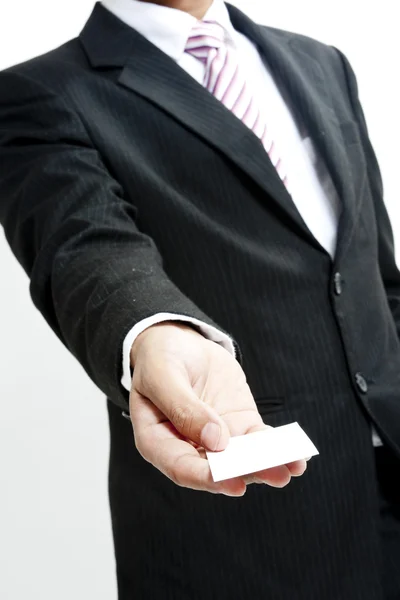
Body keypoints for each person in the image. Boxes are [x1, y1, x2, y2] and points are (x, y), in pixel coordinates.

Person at [0, 0, 399, 598]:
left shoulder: (322, 62)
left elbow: (374, 276)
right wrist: (153, 331)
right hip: (243, 537)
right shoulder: (39, 94)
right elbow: (87, 249)